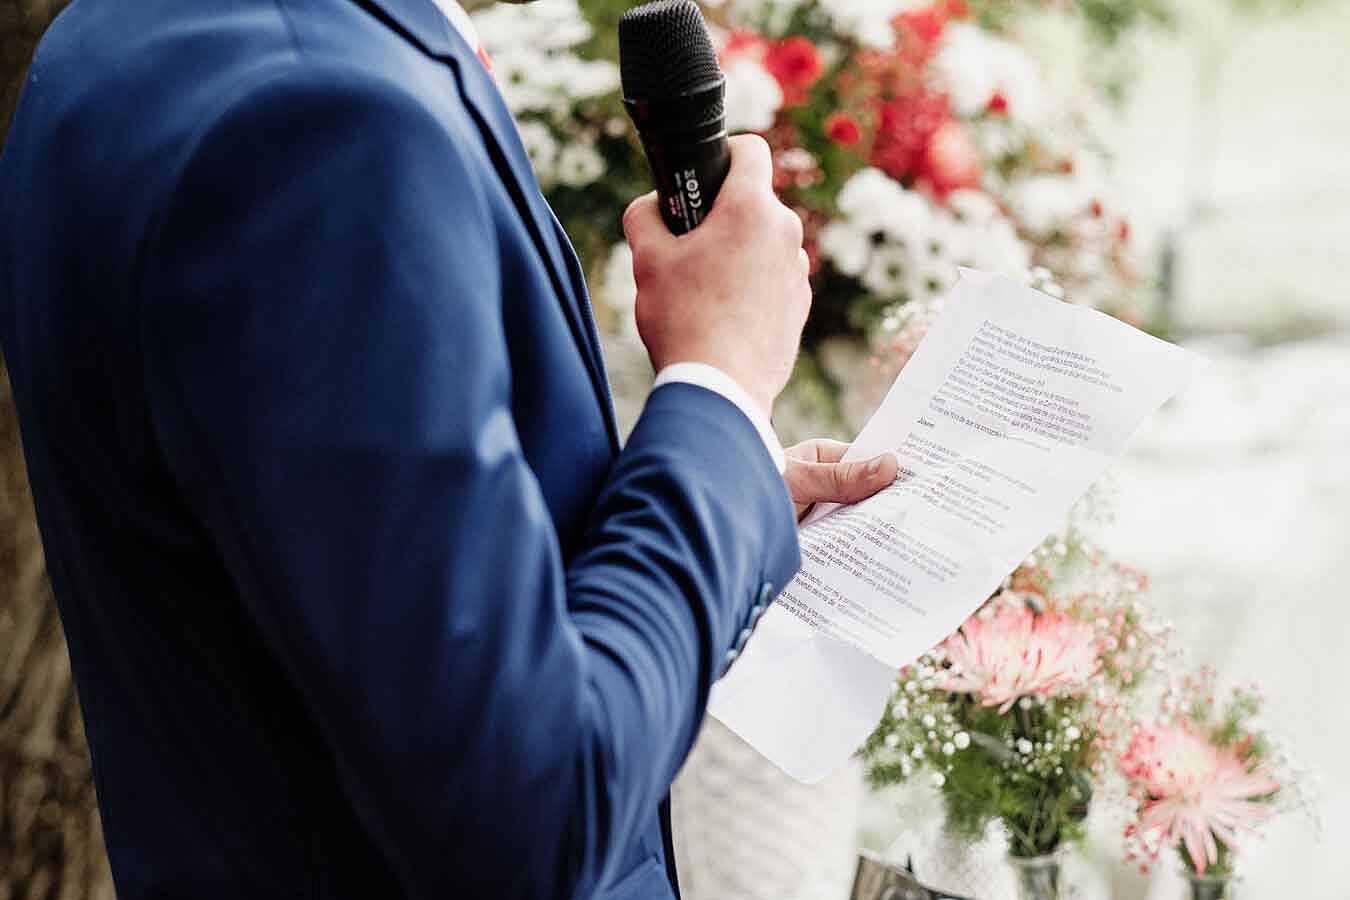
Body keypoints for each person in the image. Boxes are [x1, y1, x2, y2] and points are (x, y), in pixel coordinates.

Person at [0, 0, 897, 897]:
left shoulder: (115, 30)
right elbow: (531, 814)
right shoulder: (321, 122)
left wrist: (722, 479)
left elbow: (333, 564)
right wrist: (722, 379)